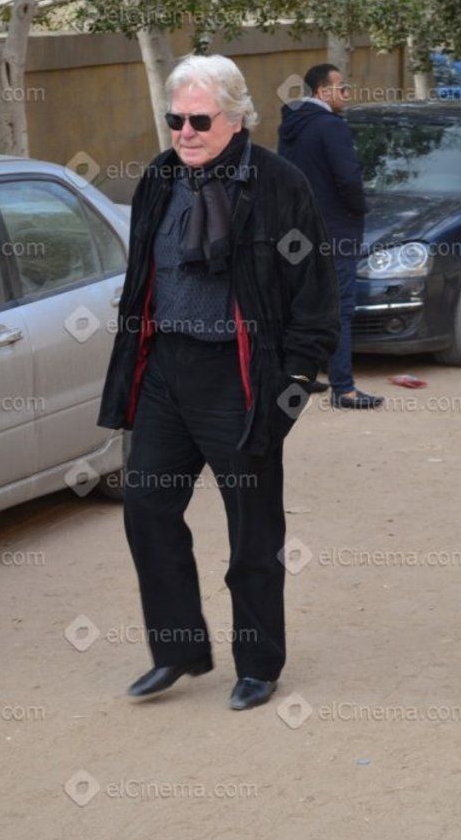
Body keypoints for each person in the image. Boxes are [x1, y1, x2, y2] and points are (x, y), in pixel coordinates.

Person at [97, 55, 340, 710]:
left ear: (235, 118)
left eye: (199, 120)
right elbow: (141, 280)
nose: (185, 131)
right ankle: (177, 649)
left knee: (251, 531)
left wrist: (290, 390)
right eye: (175, 119)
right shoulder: (159, 178)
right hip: (166, 371)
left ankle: (258, 664)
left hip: (240, 377)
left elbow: (315, 299)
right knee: (147, 508)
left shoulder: (278, 185)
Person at [278, 63, 384, 409]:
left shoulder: (291, 126)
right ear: (322, 91)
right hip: (335, 230)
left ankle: (299, 376)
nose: (347, 94)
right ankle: (344, 388)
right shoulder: (331, 126)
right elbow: (348, 178)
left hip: (297, 230)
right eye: (342, 88)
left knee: (303, 304)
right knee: (340, 307)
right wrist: (360, 208)